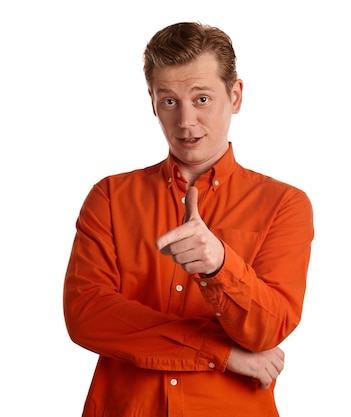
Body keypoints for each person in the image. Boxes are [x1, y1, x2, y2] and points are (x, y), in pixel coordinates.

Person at [63, 21, 314, 417]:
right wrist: (223, 353)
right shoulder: (109, 197)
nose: (184, 122)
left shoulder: (285, 204)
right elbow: (87, 316)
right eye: (169, 101)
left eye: (201, 99)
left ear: (235, 96)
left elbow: (268, 329)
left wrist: (219, 265)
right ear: (152, 101)